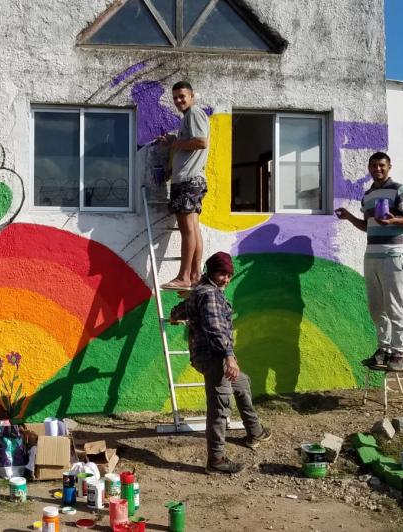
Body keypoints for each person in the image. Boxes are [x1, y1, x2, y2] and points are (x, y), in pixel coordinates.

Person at [170, 251, 271, 474]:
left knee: (242, 384)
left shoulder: (199, 291)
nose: (225, 279)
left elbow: (183, 309)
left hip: (209, 356)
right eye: (221, 274)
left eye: (228, 274)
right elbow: (215, 329)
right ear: (210, 271)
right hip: (216, 357)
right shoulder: (210, 295)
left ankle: (255, 431)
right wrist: (229, 357)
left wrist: (174, 315)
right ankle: (216, 460)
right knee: (219, 408)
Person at [334, 152, 403, 370]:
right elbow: (367, 226)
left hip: (395, 254)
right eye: (373, 166)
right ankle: (383, 349)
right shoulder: (368, 195)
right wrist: (349, 217)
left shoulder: (400, 190)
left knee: (395, 305)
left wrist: (395, 219)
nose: (377, 169)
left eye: (381, 165)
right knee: (376, 307)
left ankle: (398, 352)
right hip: (372, 255)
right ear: (369, 168)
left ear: (389, 166)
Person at [157, 80, 209, 290]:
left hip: (189, 180)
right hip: (191, 179)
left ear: (192, 96)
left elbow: (201, 142)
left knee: (187, 229)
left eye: (182, 96)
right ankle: (195, 275)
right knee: (193, 229)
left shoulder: (194, 113)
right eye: (176, 97)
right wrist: (175, 141)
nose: (178, 101)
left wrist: (174, 143)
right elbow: (191, 143)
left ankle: (184, 276)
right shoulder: (189, 117)